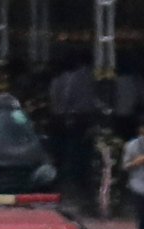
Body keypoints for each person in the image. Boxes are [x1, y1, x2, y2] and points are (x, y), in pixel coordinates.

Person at [50, 54, 102, 209]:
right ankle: (79, 181)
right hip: (81, 118)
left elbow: (64, 99)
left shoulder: (65, 79)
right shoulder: (89, 77)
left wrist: (65, 114)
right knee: (80, 151)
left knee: (70, 151)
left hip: (69, 118)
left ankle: (72, 180)